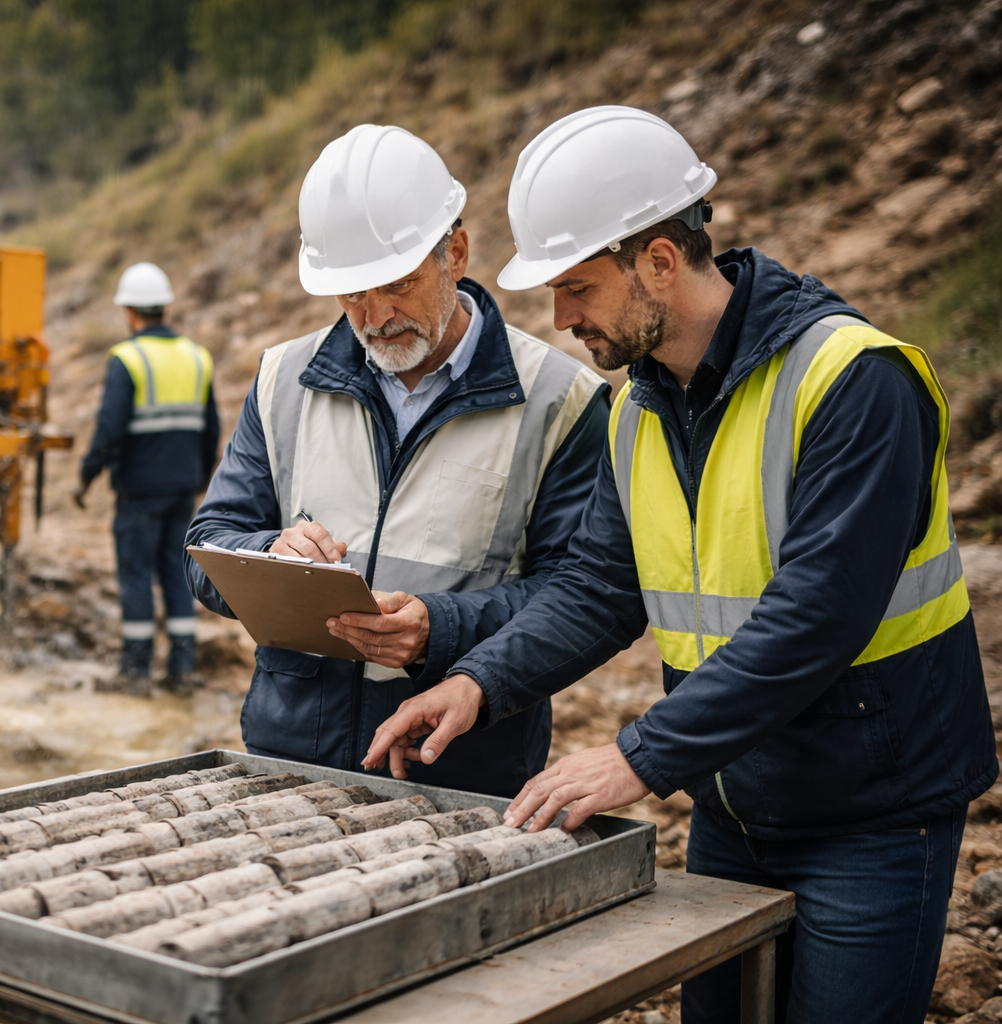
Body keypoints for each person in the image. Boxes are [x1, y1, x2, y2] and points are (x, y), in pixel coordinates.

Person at [364, 106, 998, 1023]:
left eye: (577, 287)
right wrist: (477, 681)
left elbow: (817, 616)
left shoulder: (855, 381)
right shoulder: (640, 409)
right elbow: (596, 588)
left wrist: (638, 756)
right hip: (736, 806)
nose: (559, 317)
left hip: (875, 817)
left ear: (659, 260)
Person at [183, 124, 608, 796]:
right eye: (352, 294)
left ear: (457, 253)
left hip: (461, 770)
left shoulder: (561, 399)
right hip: (290, 761)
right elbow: (206, 550)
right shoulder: (281, 381)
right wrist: (273, 555)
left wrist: (440, 630)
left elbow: (581, 594)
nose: (376, 315)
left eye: (400, 285)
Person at [77, 262, 220, 695]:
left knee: (136, 574)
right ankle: (181, 669)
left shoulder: (127, 358)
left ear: (129, 311)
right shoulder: (198, 356)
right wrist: (200, 477)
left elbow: (109, 427)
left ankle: (136, 672)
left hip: (139, 491)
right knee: (176, 575)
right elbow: (212, 428)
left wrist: (86, 475)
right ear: (165, 307)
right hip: (183, 488)